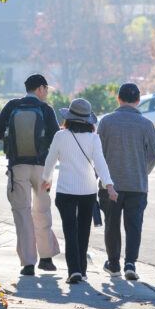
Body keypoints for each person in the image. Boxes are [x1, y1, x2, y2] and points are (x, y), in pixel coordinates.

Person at [0, 74, 61, 276]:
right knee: (42, 211)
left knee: (22, 213)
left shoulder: (12, 105)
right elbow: (55, 136)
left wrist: (12, 142)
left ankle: (28, 263)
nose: (46, 93)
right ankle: (46, 259)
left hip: (17, 167)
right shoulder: (45, 109)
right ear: (40, 88)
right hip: (42, 169)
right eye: (46, 89)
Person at [41, 98, 118, 284]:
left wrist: (46, 179)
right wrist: (109, 185)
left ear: (69, 117)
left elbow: (50, 160)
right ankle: (82, 271)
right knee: (83, 231)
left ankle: (74, 271)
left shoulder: (60, 136)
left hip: (66, 190)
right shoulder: (94, 138)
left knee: (70, 230)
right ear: (88, 120)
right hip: (88, 191)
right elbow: (100, 162)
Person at [97, 82, 155, 281]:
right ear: (139, 101)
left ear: (119, 99)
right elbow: (154, 155)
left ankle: (114, 263)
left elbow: (98, 153)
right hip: (137, 185)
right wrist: (143, 171)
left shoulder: (106, 122)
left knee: (112, 223)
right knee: (134, 225)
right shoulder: (146, 124)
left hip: (110, 184)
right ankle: (130, 263)